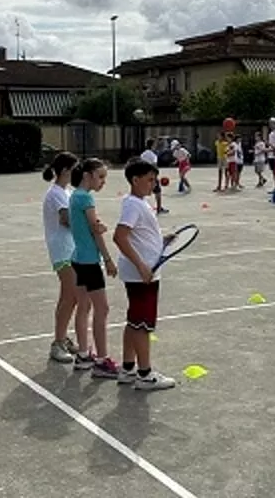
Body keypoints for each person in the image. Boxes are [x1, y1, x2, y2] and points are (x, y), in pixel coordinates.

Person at [112, 159, 178, 391]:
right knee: (142, 324)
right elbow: (120, 236)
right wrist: (141, 266)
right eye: (149, 180)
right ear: (135, 180)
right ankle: (145, 374)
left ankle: (128, 369)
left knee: (134, 321)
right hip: (142, 275)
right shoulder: (133, 205)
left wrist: (162, 240)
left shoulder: (139, 203)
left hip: (143, 273)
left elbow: (140, 235)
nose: (153, 184)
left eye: (154, 180)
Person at [68, 158, 121, 378]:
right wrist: (108, 259)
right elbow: (94, 231)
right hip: (89, 261)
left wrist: (98, 226)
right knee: (102, 309)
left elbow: (91, 226)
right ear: (87, 175)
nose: (103, 182)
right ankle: (101, 360)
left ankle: (83, 355)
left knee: (84, 307)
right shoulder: (86, 197)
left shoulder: (74, 196)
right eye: (100, 177)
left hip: (77, 258)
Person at [41, 152, 80, 363]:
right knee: (69, 295)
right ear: (65, 171)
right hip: (62, 249)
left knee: (72, 296)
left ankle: (63, 338)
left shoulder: (67, 191)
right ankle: (57, 343)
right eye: (75, 169)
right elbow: (66, 219)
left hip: (72, 248)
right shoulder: (55, 193)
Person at [139, 139, 168, 214]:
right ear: (152, 145)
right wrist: (156, 175)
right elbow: (154, 166)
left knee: (143, 192)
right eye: (155, 144)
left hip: (143, 175)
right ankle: (159, 209)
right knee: (158, 192)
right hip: (151, 175)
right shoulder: (153, 155)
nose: (155, 146)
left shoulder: (143, 154)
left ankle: (141, 208)